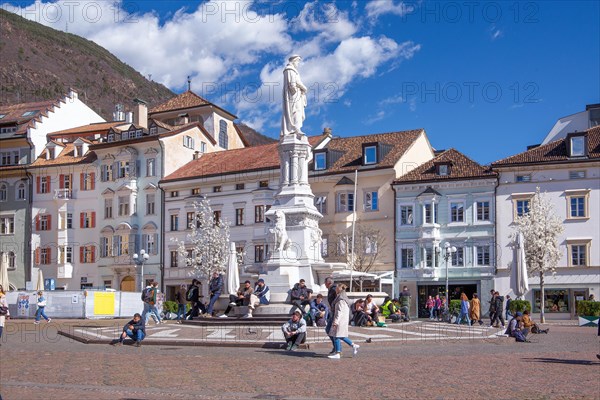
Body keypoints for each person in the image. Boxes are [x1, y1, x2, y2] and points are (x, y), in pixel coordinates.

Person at [328, 284, 359, 359]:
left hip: (340, 320)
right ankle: (353, 345)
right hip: (343, 320)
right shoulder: (343, 298)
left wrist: (336, 322)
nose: (335, 290)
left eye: (336, 288)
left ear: (338, 289)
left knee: (337, 336)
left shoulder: (340, 300)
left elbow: (339, 312)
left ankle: (338, 353)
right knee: (341, 336)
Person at [281, 54, 307, 136]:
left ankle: (296, 128)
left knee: (297, 111)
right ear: (294, 61)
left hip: (295, 93)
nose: (298, 64)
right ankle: (295, 128)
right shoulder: (290, 69)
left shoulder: (292, 70)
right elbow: (293, 83)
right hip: (293, 94)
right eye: (298, 62)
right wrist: (304, 88)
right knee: (295, 110)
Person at [324, 276, 337, 353]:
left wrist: (333, 308)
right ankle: (336, 347)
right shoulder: (331, 289)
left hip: (334, 313)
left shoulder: (333, 289)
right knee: (330, 330)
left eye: (325, 283)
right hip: (333, 312)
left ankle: (337, 348)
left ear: (328, 283)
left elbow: (336, 300)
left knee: (330, 330)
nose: (324, 284)